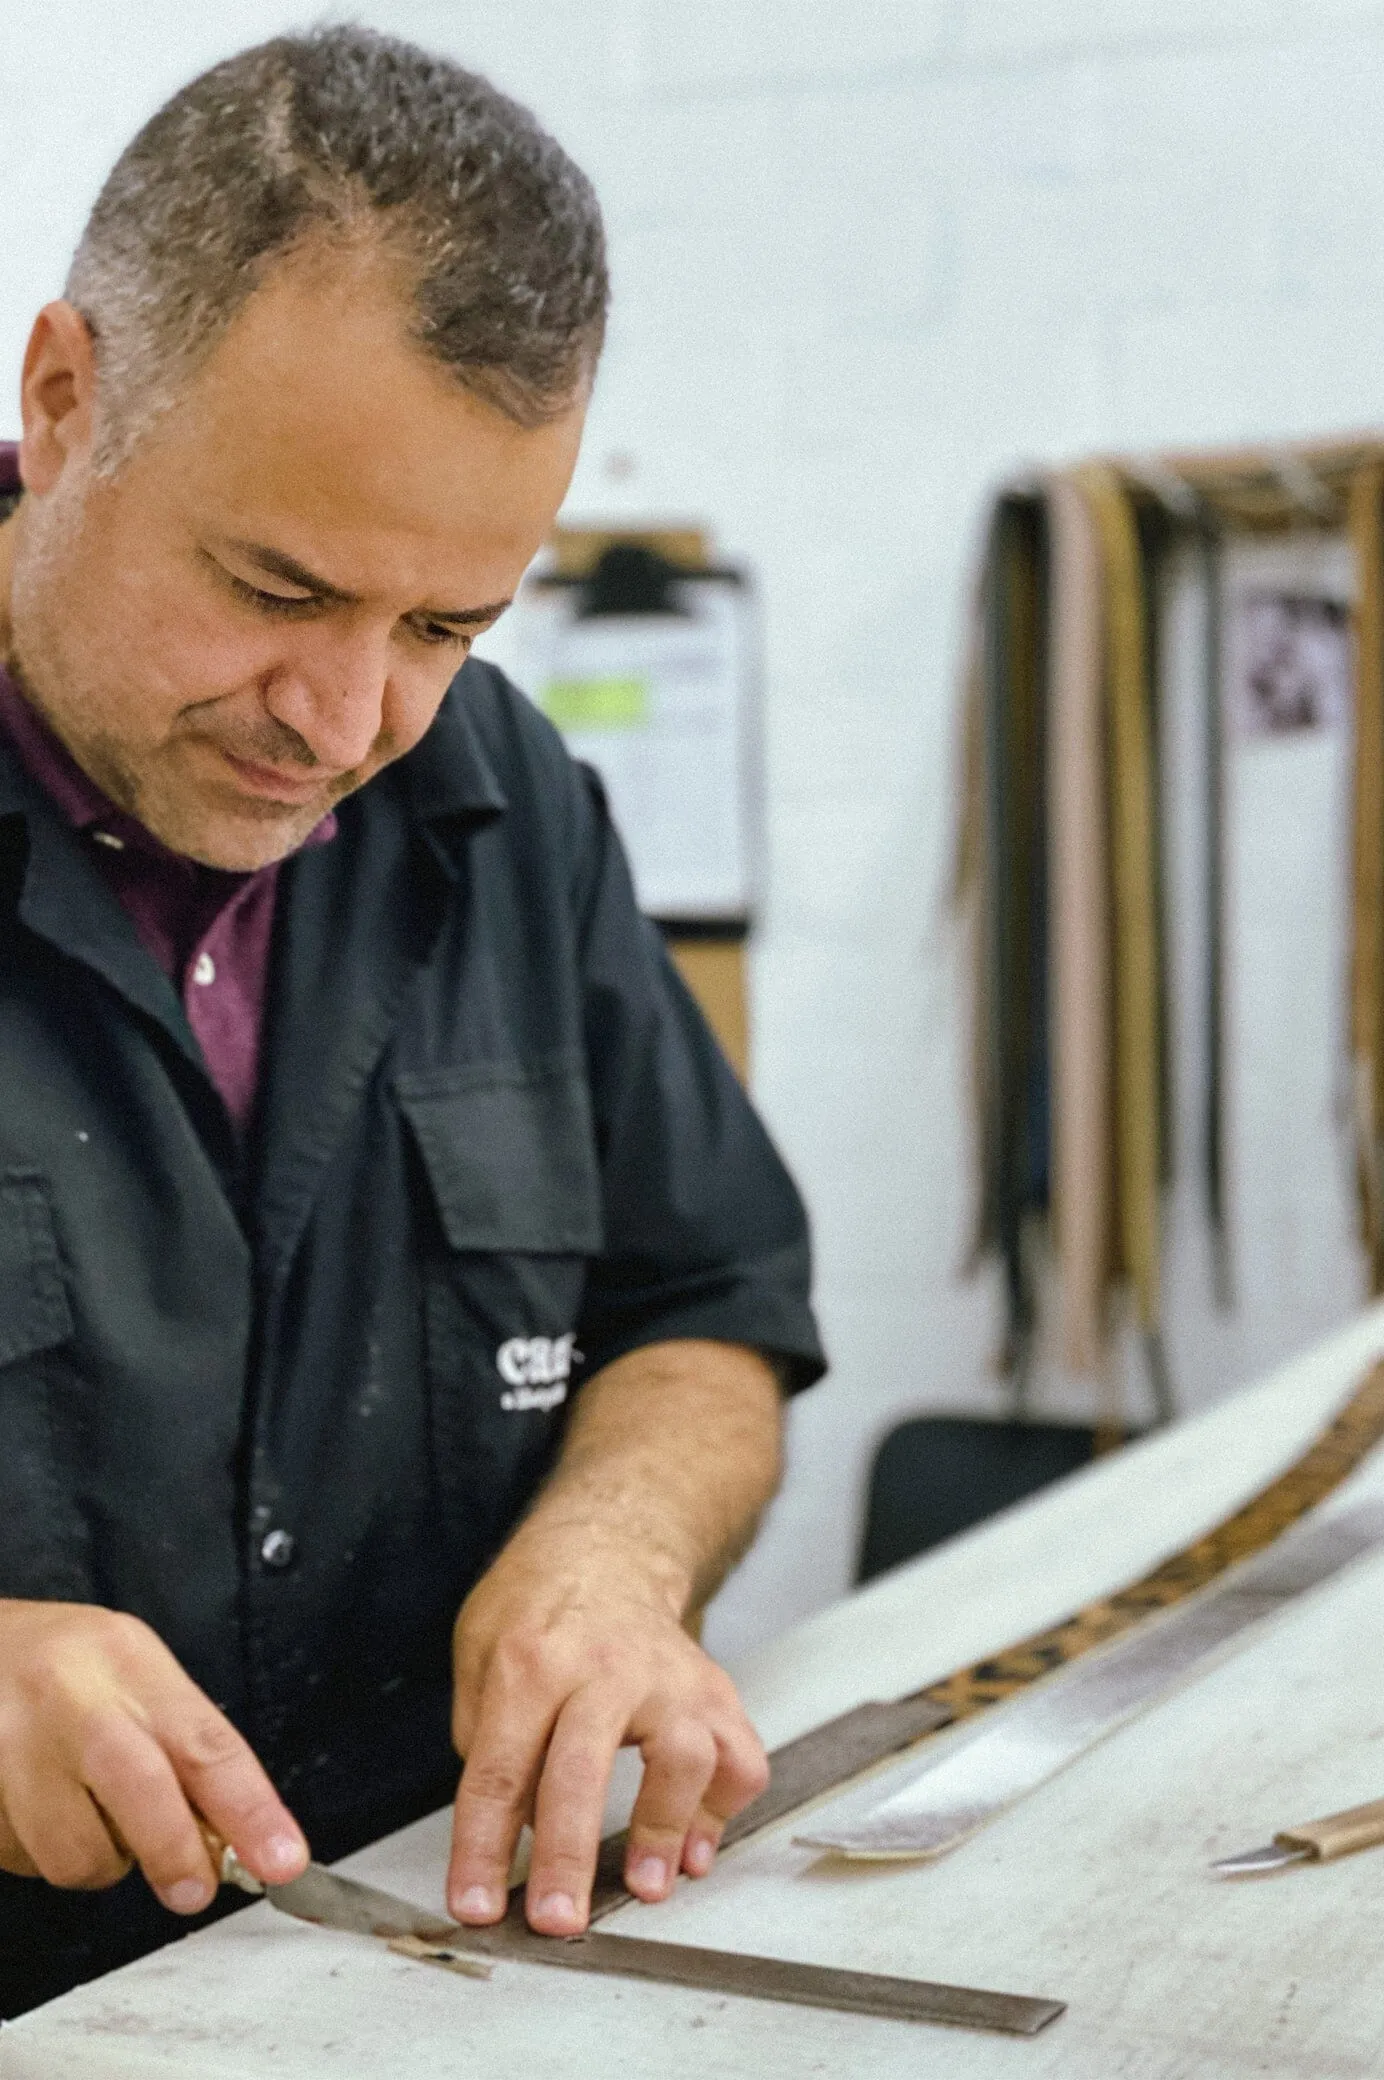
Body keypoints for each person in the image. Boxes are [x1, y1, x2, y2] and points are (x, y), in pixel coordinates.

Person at [0, 27, 823, 2016]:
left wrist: (612, 1553)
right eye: (275, 584)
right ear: (62, 399)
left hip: (418, 1998)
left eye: (446, 624)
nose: (346, 718)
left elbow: (704, 1304)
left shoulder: (500, 800)